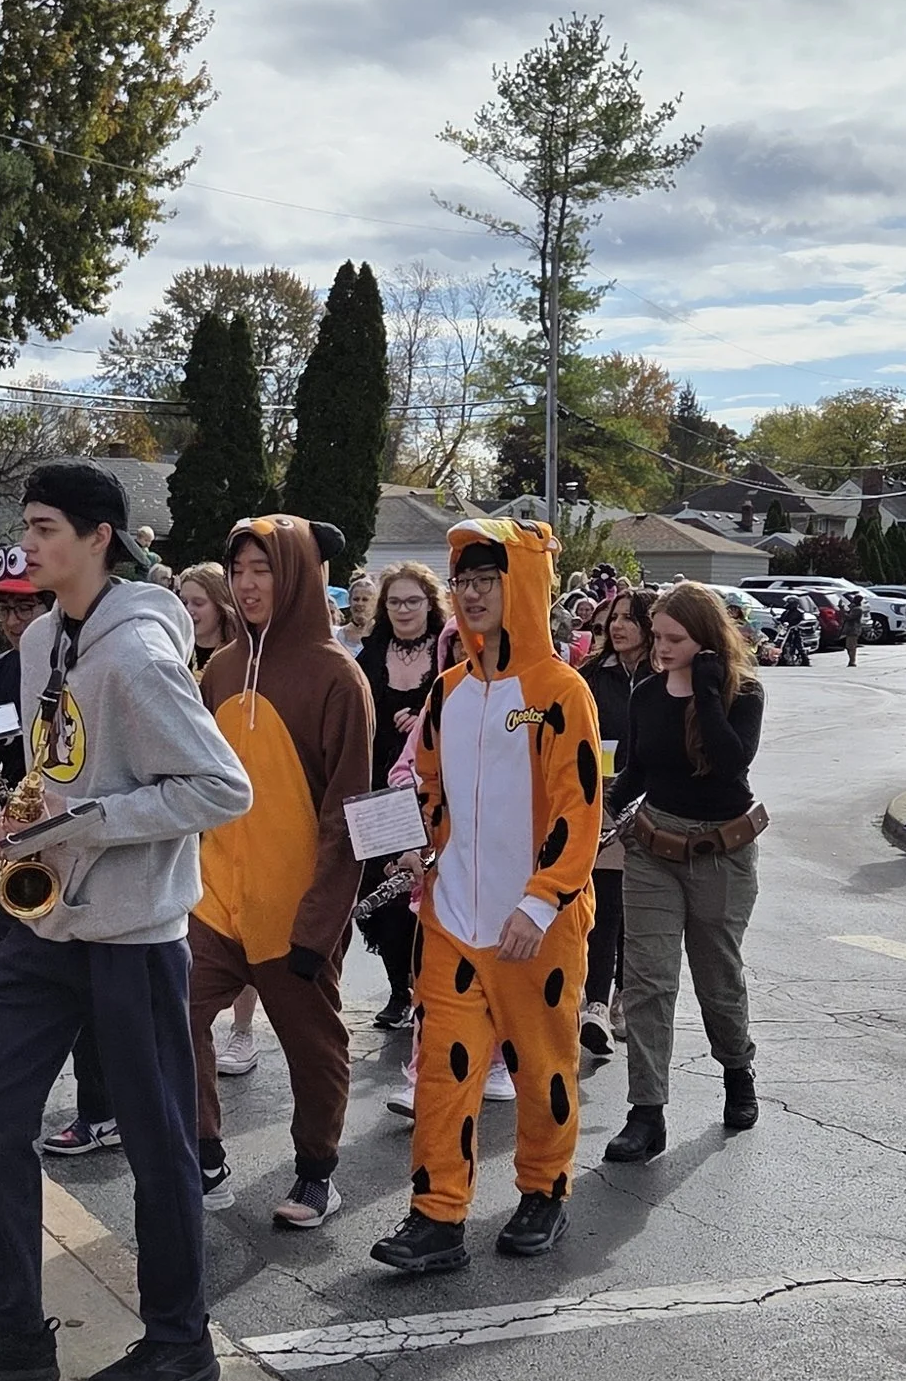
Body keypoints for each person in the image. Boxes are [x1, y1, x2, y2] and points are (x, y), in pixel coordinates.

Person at [0, 462, 250, 1381]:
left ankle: (182, 1340)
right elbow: (63, 763)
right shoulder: (45, 639)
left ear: (101, 535)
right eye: (27, 526)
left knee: (156, 1140)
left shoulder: (138, 655)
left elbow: (222, 789)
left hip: (132, 934)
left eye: (48, 527)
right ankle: (17, 1334)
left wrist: (88, 820)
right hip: (44, 918)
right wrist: (25, 810)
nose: (30, 543)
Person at [368, 519, 601, 1275]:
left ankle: (544, 1190)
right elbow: (427, 782)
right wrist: (422, 840)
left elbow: (579, 808)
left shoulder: (561, 691)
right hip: (453, 920)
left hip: (534, 928)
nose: (470, 595)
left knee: (543, 1067)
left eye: (486, 580)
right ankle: (436, 1215)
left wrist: (540, 904)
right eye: (462, 581)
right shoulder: (449, 691)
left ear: (522, 587)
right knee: (443, 1070)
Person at [188, 515, 374, 1231]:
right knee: (174, 1013)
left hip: (293, 911)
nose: (247, 583)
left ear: (295, 572)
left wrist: (320, 921)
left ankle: (317, 1172)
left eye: (263, 568)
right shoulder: (222, 667)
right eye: (238, 570)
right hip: (212, 902)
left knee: (313, 1047)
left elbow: (350, 813)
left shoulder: (337, 676)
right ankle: (205, 1154)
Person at [598, 582, 765, 1166]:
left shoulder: (743, 693)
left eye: (676, 639)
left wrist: (709, 691)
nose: (662, 648)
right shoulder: (646, 694)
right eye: (659, 637)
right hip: (652, 850)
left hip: (721, 852)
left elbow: (730, 762)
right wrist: (601, 816)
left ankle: (738, 1069)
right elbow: (635, 773)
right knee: (648, 981)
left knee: (717, 978)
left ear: (709, 642)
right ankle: (646, 1113)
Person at [0, 548, 118, 1159]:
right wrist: (7, 797)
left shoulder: (89, 662)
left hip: (88, 851)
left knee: (93, 994)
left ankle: (102, 1112)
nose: (11, 619)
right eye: (3, 607)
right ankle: (2, 1097)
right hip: (29, 856)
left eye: (22, 605)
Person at [168, 561, 264, 1088]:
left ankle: (244, 1028)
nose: (187, 610)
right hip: (193, 811)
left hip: (240, 800)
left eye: (196, 602)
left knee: (244, 918)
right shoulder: (172, 655)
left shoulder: (240, 662)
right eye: (181, 599)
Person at [357, 560, 447, 1030]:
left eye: (413, 601)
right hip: (378, 791)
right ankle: (399, 989)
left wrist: (424, 725)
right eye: (394, 602)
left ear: (430, 604)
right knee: (382, 894)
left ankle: (431, 985)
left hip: (433, 787)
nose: (403, 609)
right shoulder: (370, 654)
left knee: (426, 892)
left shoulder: (448, 654)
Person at [579, 589, 650, 1058]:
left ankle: (626, 993)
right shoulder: (590, 675)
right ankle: (596, 1004)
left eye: (628, 619)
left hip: (652, 804)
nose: (618, 627)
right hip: (601, 800)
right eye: (612, 620)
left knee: (635, 907)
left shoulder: (663, 675)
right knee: (604, 902)